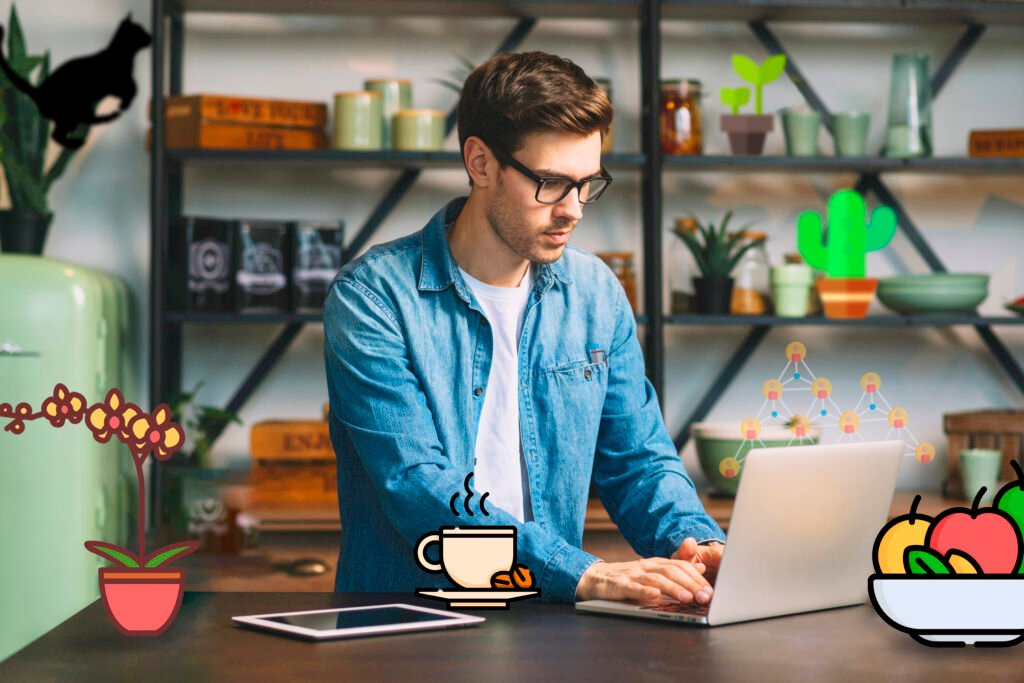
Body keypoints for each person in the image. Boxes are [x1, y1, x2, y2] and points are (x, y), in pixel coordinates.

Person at [324, 50, 725, 605]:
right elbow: (414, 484)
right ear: (481, 162)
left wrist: (696, 544)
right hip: (410, 622)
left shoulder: (596, 294)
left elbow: (638, 459)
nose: (574, 210)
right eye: (552, 183)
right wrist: (581, 573)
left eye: (589, 183)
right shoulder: (373, 298)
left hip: (548, 621)